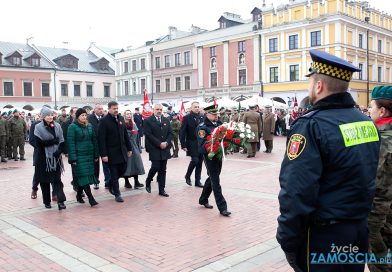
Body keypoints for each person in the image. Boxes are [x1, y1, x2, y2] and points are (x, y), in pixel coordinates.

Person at [277, 49, 380, 272]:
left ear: (319, 86)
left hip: (325, 237)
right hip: (357, 229)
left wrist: (287, 237)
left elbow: (297, 190)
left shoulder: (311, 126)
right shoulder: (366, 122)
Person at [367, 86, 392, 272]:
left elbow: (379, 185)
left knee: (378, 260)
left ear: (382, 111)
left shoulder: (382, 139)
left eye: (371, 107)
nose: (369, 111)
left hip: (380, 213)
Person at [197, 104, 231, 216]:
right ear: (207, 114)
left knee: (212, 177)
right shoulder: (202, 127)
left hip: (219, 155)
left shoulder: (220, 124)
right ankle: (222, 207)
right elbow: (201, 145)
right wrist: (212, 144)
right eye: (213, 114)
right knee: (215, 181)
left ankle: (203, 199)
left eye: (216, 113)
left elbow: (225, 137)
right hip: (209, 156)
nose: (216, 115)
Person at [98, 101, 132, 203]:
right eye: (114, 108)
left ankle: (110, 182)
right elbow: (101, 139)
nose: (116, 110)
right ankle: (117, 194)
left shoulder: (121, 119)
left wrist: (129, 148)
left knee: (123, 170)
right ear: (109, 109)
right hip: (111, 153)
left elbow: (125, 135)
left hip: (122, 151)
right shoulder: (104, 121)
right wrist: (103, 154)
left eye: (117, 108)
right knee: (114, 173)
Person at [34, 107, 67, 210]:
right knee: (44, 181)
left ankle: (61, 201)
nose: (50, 116)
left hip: (56, 157)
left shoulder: (57, 126)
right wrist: (53, 141)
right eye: (47, 115)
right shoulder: (38, 127)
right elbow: (38, 143)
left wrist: (59, 150)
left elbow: (61, 140)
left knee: (57, 180)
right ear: (43, 116)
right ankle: (47, 201)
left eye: (51, 115)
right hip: (43, 158)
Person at [67, 108, 99, 207]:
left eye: (85, 115)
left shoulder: (89, 126)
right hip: (79, 156)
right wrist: (73, 158)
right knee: (84, 176)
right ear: (77, 117)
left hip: (89, 155)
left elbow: (94, 140)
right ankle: (91, 198)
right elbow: (70, 143)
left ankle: (78, 195)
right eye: (82, 115)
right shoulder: (72, 127)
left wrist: (96, 154)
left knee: (85, 176)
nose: (84, 117)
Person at [144, 104, 172, 197]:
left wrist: (166, 143)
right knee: (155, 166)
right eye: (157, 109)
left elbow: (170, 133)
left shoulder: (166, 120)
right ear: (153, 110)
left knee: (163, 169)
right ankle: (148, 180)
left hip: (165, 148)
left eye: (160, 109)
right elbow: (148, 134)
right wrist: (159, 143)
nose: (159, 111)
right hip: (154, 147)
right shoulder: (148, 121)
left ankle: (161, 190)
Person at [179, 101, 204, 187]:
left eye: (198, 107)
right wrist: (183, 145)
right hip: (191, 143)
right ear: (191, 108)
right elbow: (182, 132)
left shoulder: (202, 117)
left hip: (201, 143)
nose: (197, 108)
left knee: (200, 162)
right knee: (195, 160)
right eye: (195, 107)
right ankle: (187, 175)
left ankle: (198, 181)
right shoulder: (187, 118)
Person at [122, 109, 145, 188]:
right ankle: (126, 182)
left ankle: (136, 181)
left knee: (136, 163)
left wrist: (139, 148)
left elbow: (137, 137)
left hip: (134, 146)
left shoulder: (134, 124)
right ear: (124, 115)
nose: (129, 115)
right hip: (126, 147)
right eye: (127, 114)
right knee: (127, 165)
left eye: (130, 114)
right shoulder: (122, 124)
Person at [87, 103, 104, 189]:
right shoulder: (89, 118)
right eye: (99, 109)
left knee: (106, 163)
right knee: (95, 164)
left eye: (102, 109)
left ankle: (108, 180)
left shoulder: (105, 117)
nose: (101, 110)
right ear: (95, 110)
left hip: (104, 144)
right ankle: (96, 180)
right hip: (94, 145)